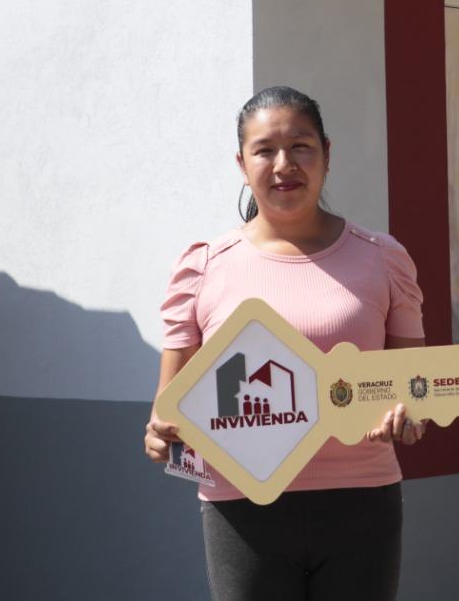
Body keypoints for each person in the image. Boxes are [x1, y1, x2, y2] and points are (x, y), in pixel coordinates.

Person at [145, 86, 426, 601]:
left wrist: (410, 413)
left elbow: (413, 388)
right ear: (241, 162)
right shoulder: (202, 268)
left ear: (327, 154)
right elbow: (169, 414)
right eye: (264, 149)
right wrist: (162, 435)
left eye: (301, 146)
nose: (284, 164)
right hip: (240, 511)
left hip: (362, 502)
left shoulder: (384, 260)